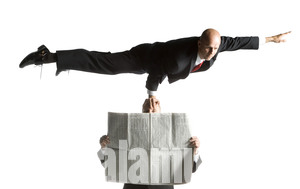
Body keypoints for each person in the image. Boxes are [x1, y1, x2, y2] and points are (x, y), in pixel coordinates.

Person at [19, 29, 290, 96]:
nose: (211, 52)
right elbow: (156, 75)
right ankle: (49, 56)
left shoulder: (216, 47)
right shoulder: (179, 57)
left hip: (157, 61)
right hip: (146, 57)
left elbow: (239, 42)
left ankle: (53, 57)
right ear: (199, 43)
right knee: (107, 64)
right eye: (207, 47)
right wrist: (151, 97)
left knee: (105, 63)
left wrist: (269, 39)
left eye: (215, 48)